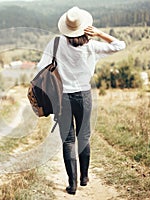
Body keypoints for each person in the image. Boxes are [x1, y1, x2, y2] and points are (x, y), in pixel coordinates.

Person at [37, 6, 126, 195]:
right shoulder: (92, 47)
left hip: (62, 98)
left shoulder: (55, 43)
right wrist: (100, 33)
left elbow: (41, 67)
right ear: (85, 27)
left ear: (66, 28)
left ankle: (72, 184)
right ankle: (85, 177)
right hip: (84, 96)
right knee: (83, 137)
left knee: (68, 141)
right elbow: (120, 45)